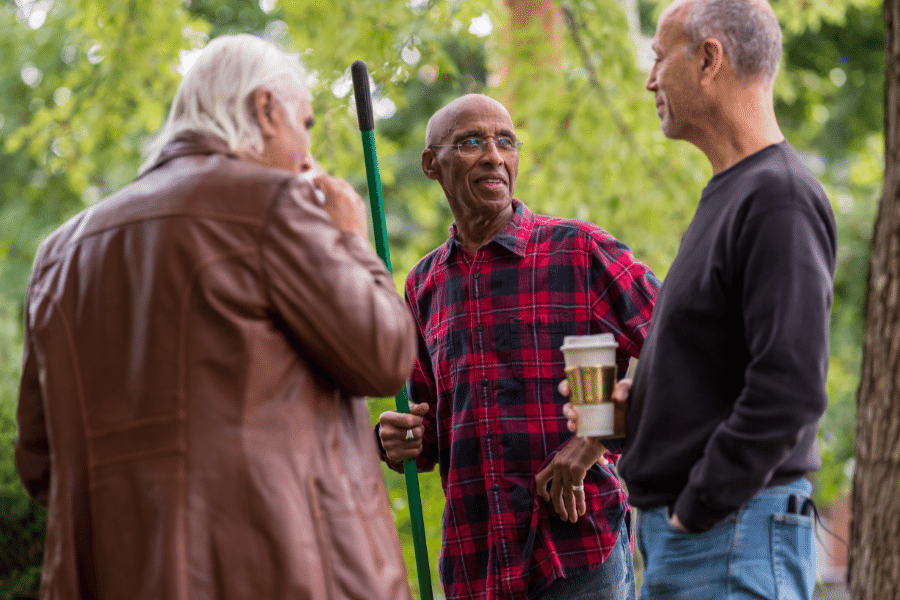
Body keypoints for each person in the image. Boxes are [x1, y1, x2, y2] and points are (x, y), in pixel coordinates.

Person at [14, 34, 417, 600]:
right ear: (265, 109)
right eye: (304, 124)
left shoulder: (58, 254)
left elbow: (38, 464)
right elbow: (385, 356)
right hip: (281, 575)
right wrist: (350, 237)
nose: (307, 158)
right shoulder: (274, 204)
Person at [562, 1, 837, 598]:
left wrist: (698, 507)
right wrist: (639, 411)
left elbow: (788, 387)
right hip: (703, 539)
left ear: (708, 59)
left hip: (728, 537)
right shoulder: (731, 194)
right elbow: (726, 369)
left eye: (659, 58)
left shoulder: (778, 199)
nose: (649, 78)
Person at [377, 93, 660, 600]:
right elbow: (429, 431)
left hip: (576, 551)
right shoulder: (423, 286)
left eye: (505, 141)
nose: (494, 156)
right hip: (475, 564)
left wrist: (593, 440)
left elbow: (680, 347)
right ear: (431, 165)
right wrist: (397, 441)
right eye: (470, 143)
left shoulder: (580, 251)